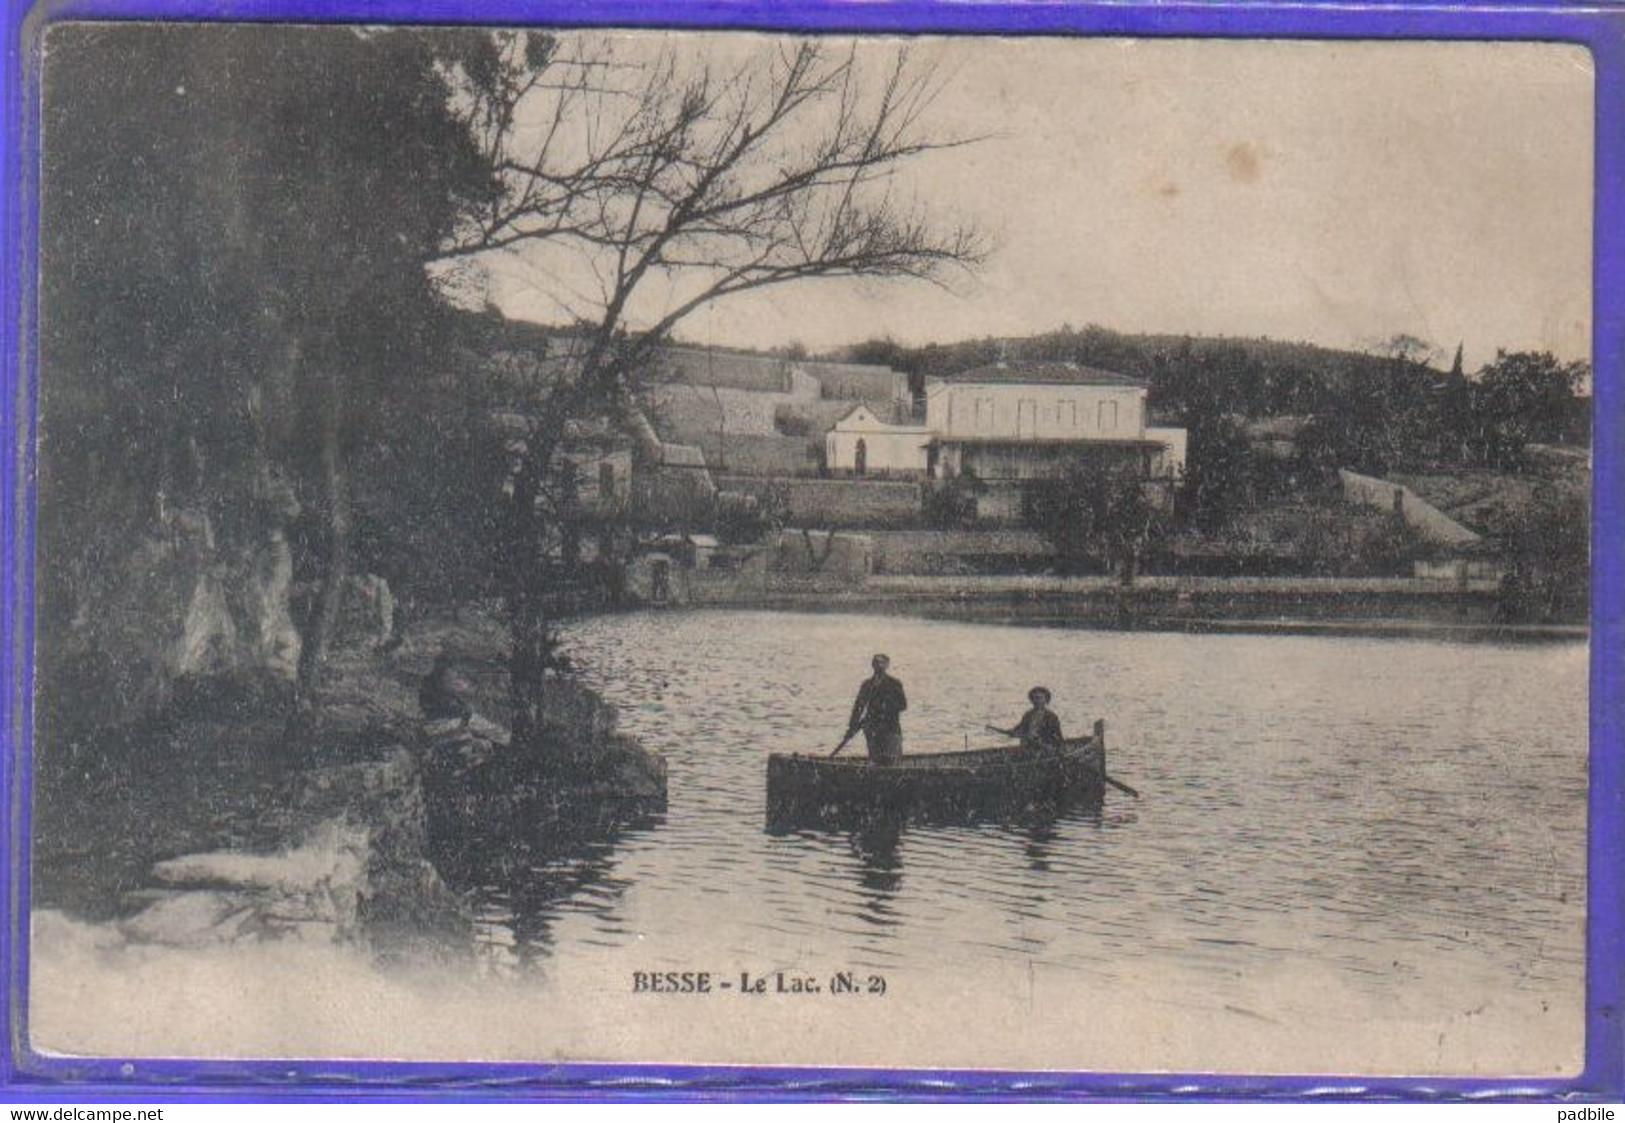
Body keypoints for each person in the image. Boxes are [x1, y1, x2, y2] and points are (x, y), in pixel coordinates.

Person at [846, 654, 907, 765]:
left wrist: (885, 707)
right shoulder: (867, 685)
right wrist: (852, 727)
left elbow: (902, 705)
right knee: (875, 760)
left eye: (882, 663)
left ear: (887, 665)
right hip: (873, 728)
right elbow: (858, 707)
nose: (879, 665)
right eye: (876, 662)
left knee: (892, 760)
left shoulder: (895, 684)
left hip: (890, 728)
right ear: (872, 665)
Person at [994, 686, 1065, 751]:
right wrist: (1012, 732)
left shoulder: (1051, 716)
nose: (1037, 701)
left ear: (1046, 700)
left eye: (1040, 698)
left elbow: (1057, 735)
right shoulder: (1028, 715)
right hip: (1028, 747)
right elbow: (1021, 727)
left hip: (1045, 748)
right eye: (1034, 698)